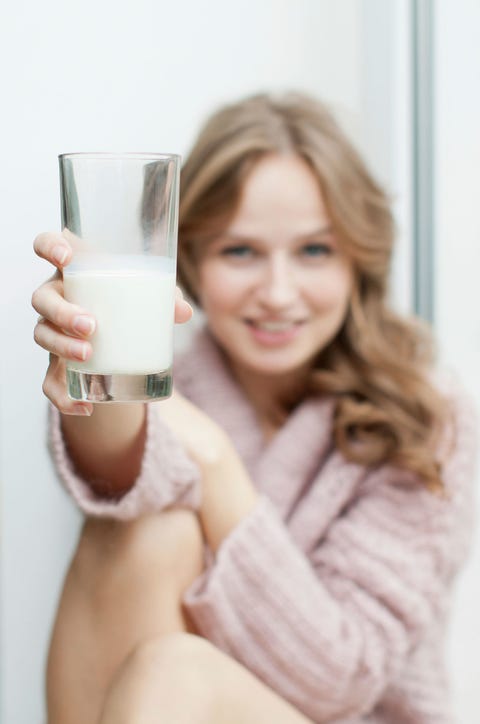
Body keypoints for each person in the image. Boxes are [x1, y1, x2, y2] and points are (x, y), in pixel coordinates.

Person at [32, 93, 477, 724]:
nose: (277, 292)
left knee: (174, 671)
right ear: (186, 260)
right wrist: (93, 351)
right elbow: (116, 472)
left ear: (360, 260)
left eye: (315, 251)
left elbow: (339, 684)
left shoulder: (424, 420)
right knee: (148, 528)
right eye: (240, 252)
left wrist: (215, 462)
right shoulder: (176, 378)